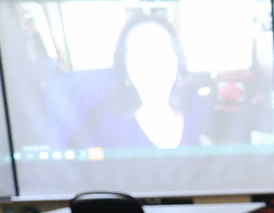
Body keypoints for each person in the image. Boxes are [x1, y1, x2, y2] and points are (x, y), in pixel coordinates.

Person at [68, 13, 209, 150]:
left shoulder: (198, 110)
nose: (150, 63)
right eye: (137, 52)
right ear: (125, 67)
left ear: (178, 60)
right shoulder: (101, 122)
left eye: (161, 49)